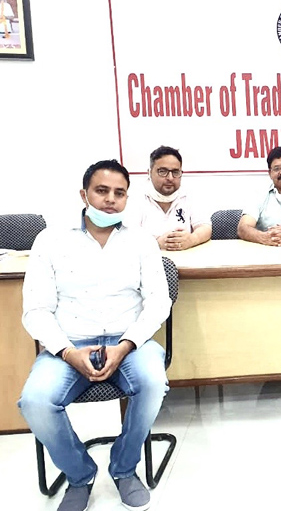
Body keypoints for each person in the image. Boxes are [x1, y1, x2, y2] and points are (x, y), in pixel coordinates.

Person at [18, 159, 172, 511]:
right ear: (84, 194)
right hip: (69, 344)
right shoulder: (50, 240)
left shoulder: (141, 241)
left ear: (127, 198)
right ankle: (80, 475)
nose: (110, 200)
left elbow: (158, 303)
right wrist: (67, 352)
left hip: (129, 341)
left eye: (120, 193)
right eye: (102, 191)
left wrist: (125, 345)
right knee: (35, 401)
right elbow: (36, 310)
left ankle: (124, 468)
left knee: (153, 382)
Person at [126, 145, 212, 251]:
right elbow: (128, 237)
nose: (170, 178)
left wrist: (191, 239)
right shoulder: (135, 199)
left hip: (185, 259)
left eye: (175, 172)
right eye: (162, 171)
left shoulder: (189, 195)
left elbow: (205, 227)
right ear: (149, 173)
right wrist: (156, 243)